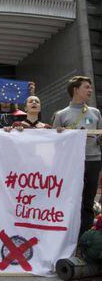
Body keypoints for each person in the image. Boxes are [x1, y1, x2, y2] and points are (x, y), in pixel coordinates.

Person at [53, 76, 102, 236]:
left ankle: (84, 238)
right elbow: (55, 144)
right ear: (75, 90)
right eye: (86, 87)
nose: (90, 90)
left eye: (90, 87)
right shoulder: (61, 114)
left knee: (88, 202)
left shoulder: (95, 113)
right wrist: (61, 135)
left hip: (93, 161)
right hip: (72, 163)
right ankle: (67, 237)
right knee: (72, 201)